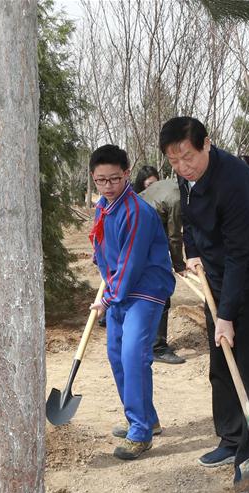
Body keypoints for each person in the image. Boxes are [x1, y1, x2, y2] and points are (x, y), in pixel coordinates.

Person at [159, 116, 249, 475]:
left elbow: (239, 255)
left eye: (188, 157)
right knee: (220, 363)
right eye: (174, 161)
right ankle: (230, 439)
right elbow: (188, 218)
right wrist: (192, 250)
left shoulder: (236, 182)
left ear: (207, 144)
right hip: (218, 277)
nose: (182, 167)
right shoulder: (186, 176)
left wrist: (226, 316)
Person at [88, 145, 175, 460]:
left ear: (127, 174)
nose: (108, 186)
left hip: (146, 288)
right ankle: (146, 418)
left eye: (114, 178)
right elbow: (103, 246)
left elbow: (132, 261)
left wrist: (108, 298)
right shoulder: (103, 207)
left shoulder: (137, 211)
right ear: (93, 179)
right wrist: (103, 271)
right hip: (119, 287)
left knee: (133, 355)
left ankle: (139, 432)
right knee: (116, 355)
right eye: (101, 180)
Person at [139, 170, 186, 365]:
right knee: (162, 289)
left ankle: (145, 342)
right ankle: (157, 347)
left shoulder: (170, 185)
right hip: (142, 239)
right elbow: (175, 236)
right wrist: (179, 265)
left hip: (139, 234)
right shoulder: (177, 198)